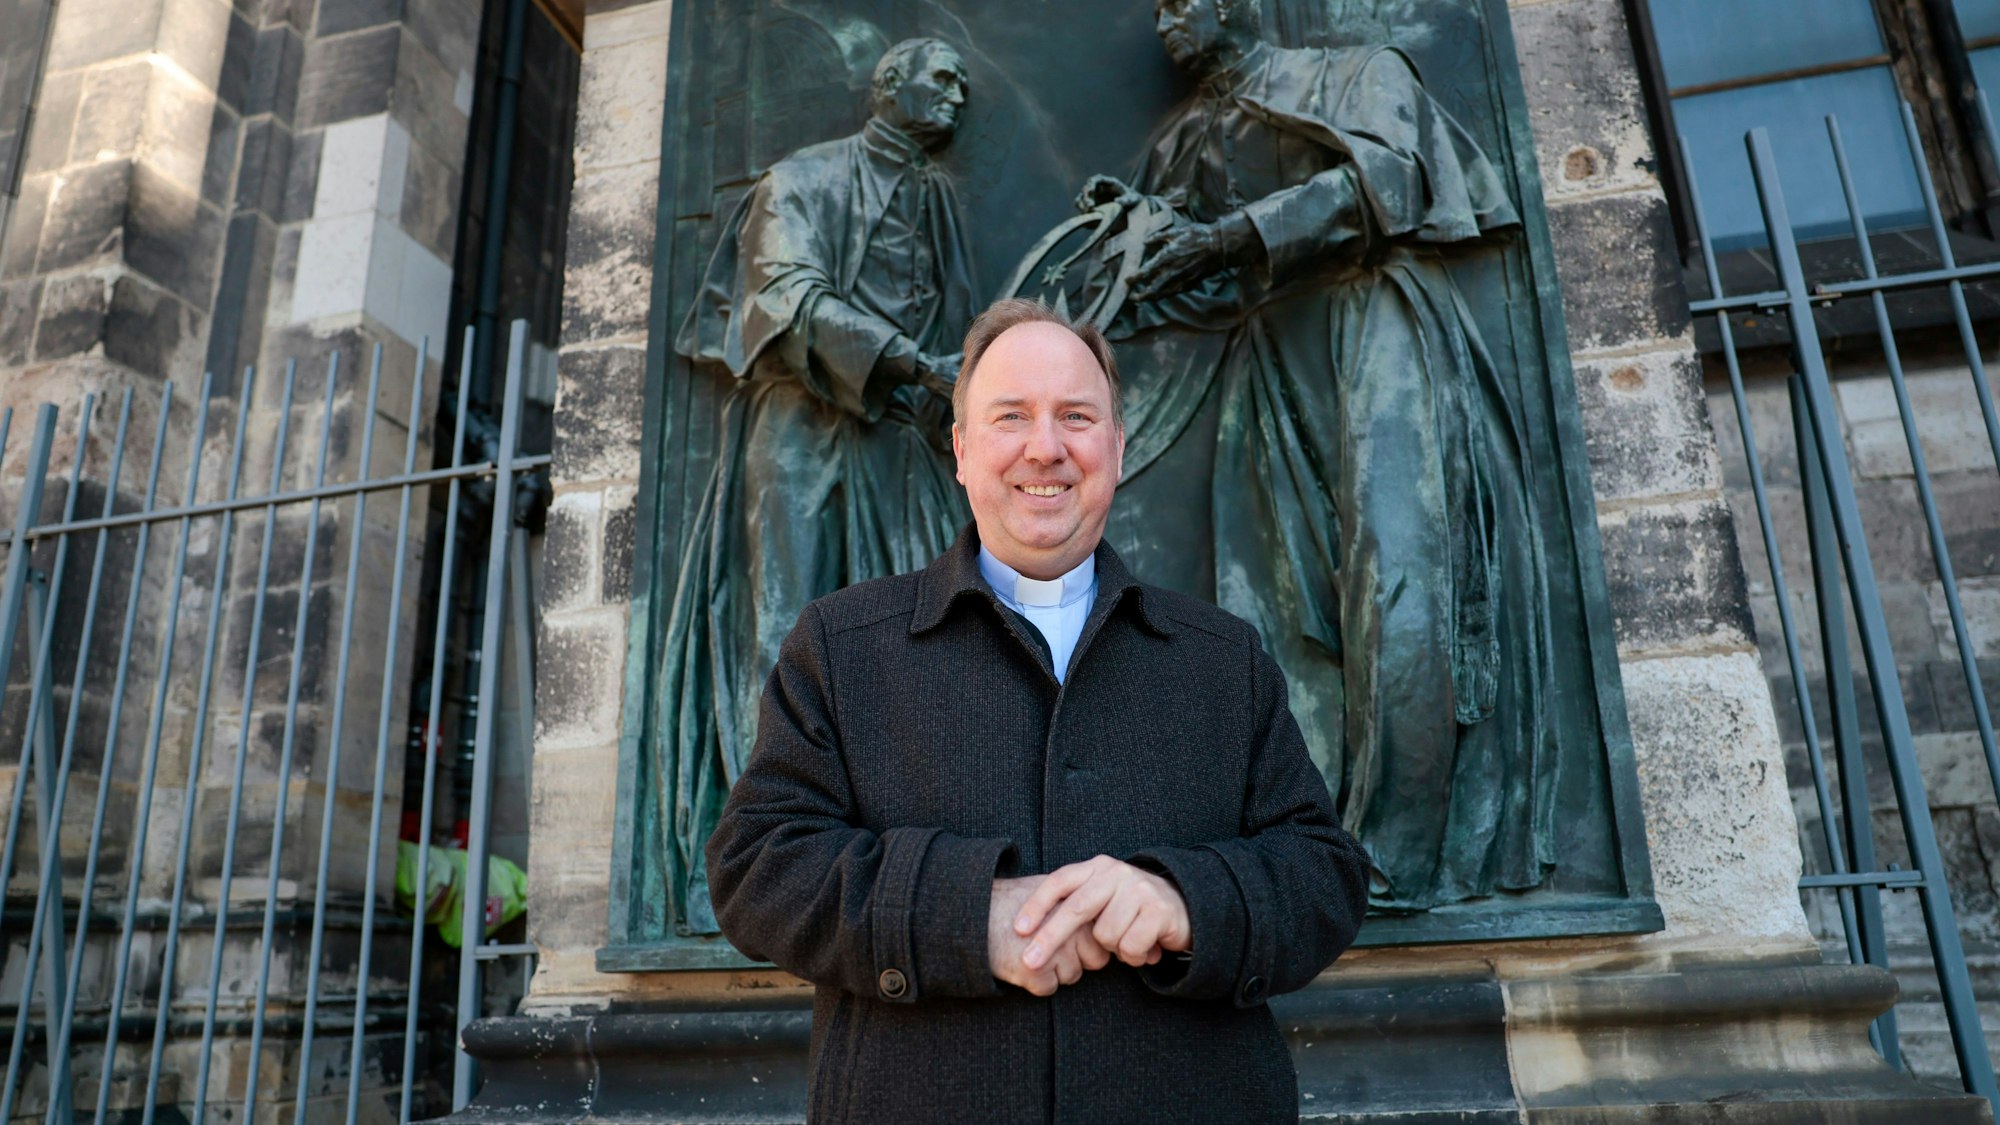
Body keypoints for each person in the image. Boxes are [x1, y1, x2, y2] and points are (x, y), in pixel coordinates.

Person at [706, 298, 1370, 1123]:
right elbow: (757, 867)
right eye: (1011, 416)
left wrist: (1185, 902)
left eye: (1077, 417)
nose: (1045, 447)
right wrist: (963, 915)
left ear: (1117, 450)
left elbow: (1324, 874)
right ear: (961, 449)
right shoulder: (841, 645)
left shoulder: (1222, 656)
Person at [1083, 0, 1562, 911]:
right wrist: (1132, 241)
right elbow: (1163, 278)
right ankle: (1287, 849)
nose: (1167, 20)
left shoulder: (1359, 75)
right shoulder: (1188, 137)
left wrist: (1227, 237)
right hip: (1269, 359)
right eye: (1157, 9)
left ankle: (1397, 850)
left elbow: (1382, 182)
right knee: (1269, 601)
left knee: (1399, 570)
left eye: (1186, 1)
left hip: (1370, 321)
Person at [666, 38, 976, 930]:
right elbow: (787, 297)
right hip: (804, 427)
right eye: (941, 77)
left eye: (962, 82)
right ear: (889, 86)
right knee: (790, 629)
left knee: (925, 633)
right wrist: (918, 363)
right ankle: (766, 866)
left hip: (899, 438)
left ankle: (906, 858)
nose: (956, 95)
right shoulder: (801, 180)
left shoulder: (936, 199)